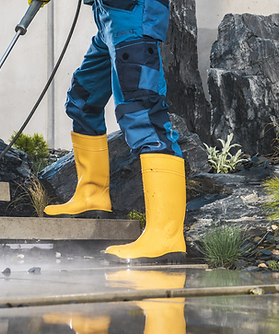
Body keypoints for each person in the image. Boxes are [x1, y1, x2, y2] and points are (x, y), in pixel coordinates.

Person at [32, 0, 186, 264]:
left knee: (143, 115)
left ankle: (166, 236)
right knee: (82, 100)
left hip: (133, 16)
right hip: (108, 18)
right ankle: (91, 195)